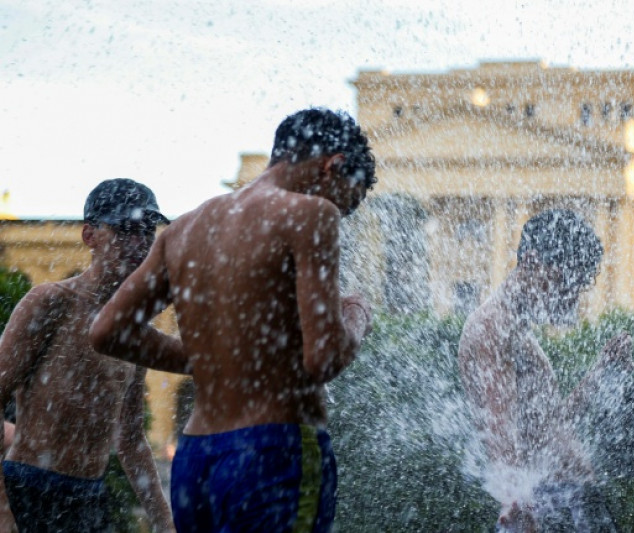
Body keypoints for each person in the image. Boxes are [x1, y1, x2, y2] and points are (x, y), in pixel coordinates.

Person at [90, 108, 376, 533]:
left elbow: (108, 331)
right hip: (276, 452)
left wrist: (207, 359)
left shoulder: (183, 229)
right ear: (332, 165)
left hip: (196, 460)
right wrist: (356, 317)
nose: (339, 213)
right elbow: (323, 360)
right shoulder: (311, 214)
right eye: (346, 202)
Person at [0, 179, 175, 532]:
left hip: (90, 496)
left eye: (146, 230)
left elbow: (129, 437)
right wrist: (4, 506)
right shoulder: (50, 302)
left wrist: (164, 521)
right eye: (124, 230)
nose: (139, 242)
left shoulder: (133, 324)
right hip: (29, 486)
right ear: (89, 236)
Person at [458, 209, 634, 533]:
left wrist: (600, 370)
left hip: (566, 504)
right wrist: (516, 501)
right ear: (530, 262)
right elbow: (499, 429)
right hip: (545, 509)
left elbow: (549, 425)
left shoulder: (518, 332)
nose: (571, 295)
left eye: (579, 286)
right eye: (564, 280)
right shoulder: (491, 327)